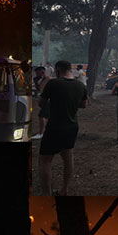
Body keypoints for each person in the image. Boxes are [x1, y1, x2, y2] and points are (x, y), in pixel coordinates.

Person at [37, 60, 89, 195]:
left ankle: (47, 193)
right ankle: (65, 189)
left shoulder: (53, 83)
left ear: (58, 69)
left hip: (55, 126)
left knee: (45, 160)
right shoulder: (80, 85)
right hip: (72, 126)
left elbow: (41, 103)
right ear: (69, 69)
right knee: (68, 156)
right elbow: (84, 104)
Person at [33, 65, 50, 138]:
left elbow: (41, 88)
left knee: (41, 115)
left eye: (38, 73)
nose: (36, 74)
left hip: (48, 100)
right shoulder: (37, 79)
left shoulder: (47, 78)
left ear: (42, 72)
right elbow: (38, 89)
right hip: (44, 99)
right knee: (45, 116)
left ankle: (41, 133)